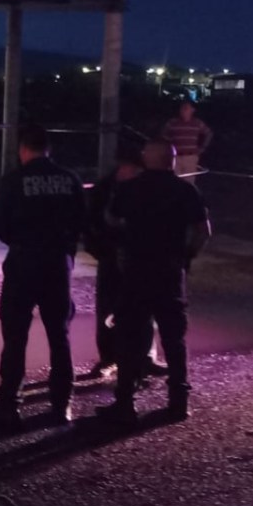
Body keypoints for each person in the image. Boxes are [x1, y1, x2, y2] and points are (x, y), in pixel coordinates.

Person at [97, 139, 211, 426]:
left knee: (130, 337)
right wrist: (186, 256)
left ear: (148, 159)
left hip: (136, 273)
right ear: (171, 161)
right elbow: (203, 230)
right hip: (170, 273)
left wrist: (125, 242)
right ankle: (178, 401)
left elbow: (111, 219)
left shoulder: (130, 188)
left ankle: (125, 403)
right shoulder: (186, 191)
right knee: (174, 339)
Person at [0, 124, 86, 429]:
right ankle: (61, 404)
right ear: (49, 150)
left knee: (15, 336)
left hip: (23, 263)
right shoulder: (70, 180)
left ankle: (10, 405)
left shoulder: (14, 181)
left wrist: (16, 236)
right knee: (60, 335)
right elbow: (83, 220)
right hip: (58, 265)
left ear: (23, 150)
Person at [84, 141, 168, 379]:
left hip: (138, 258)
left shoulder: (137, 188)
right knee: (110, 308)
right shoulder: (106, 190)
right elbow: (93, 222)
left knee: (143, 310)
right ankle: (110, 358)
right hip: (113, 256)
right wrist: (100, 249)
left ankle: (145, 357)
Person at [161, 99, 213, 185]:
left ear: (192, 110)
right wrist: (168, 147)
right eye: (182, 108)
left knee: (189, 184)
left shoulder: (197, 123)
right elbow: (163, 135)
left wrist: (202, 148)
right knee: (174, 183)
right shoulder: (172, 122)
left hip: (190, 157)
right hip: (175, 158)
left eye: (186, 108)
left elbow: (209, 133)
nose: (183, 111)